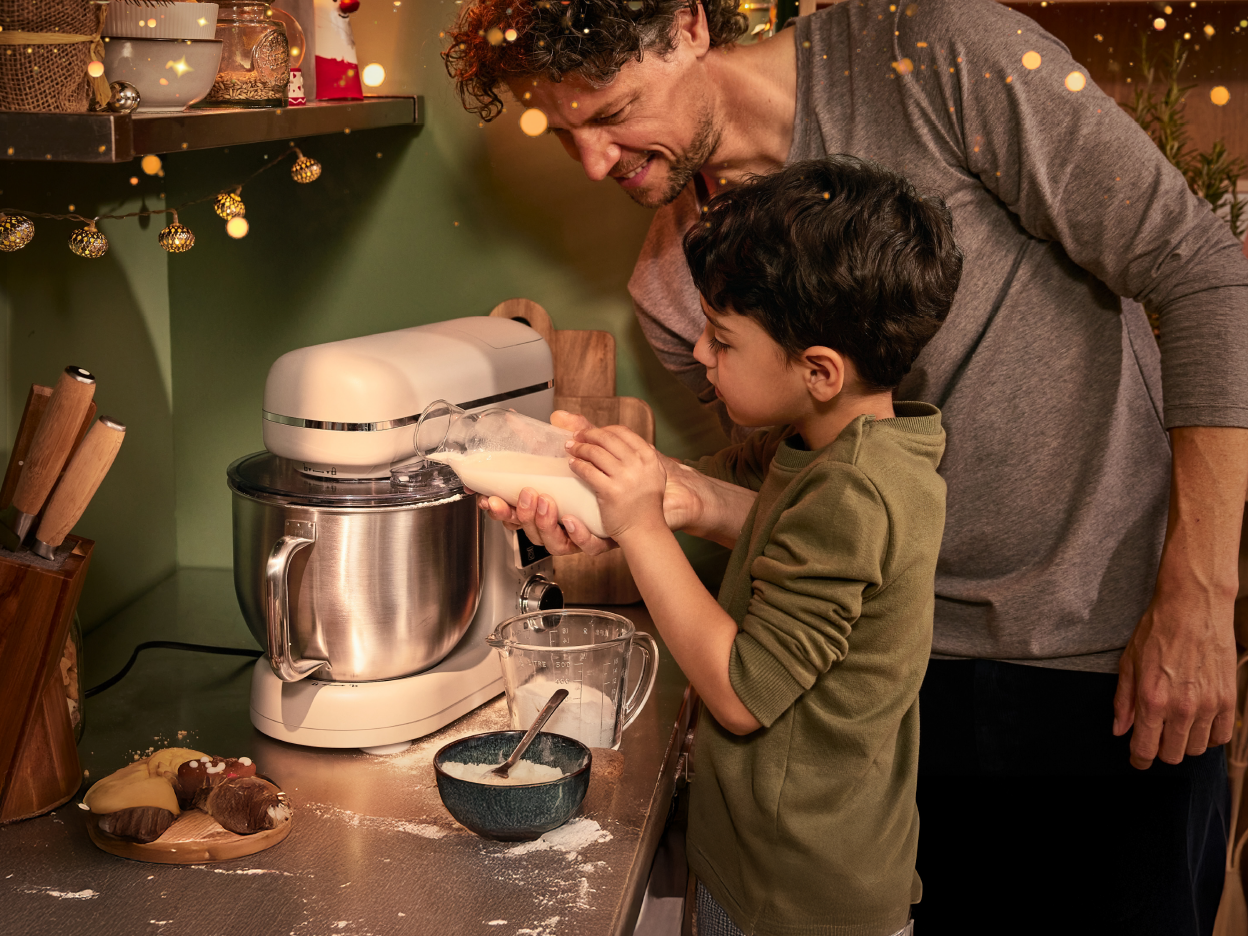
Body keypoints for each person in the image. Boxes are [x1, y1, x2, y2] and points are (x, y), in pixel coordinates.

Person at [444, 1, 1248, 931]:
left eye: (615, 109)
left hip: (1093, 658)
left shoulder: (940, 55)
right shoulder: (679, 288)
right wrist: (675, 497)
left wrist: (1198, 595)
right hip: (872, 714)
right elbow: (822, 508)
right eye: (565, 131)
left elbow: (1201, 273)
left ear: (689, 26)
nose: (594, 163)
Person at [559, 155, 961, 936]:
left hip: (796, 897)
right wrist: (587, 480)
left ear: (817, 370)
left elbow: (742, 695)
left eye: (723, 339)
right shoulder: (836, 445)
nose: (703, 356)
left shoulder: (856, 492)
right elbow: (710, 492)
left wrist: (639, 524)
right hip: (772, 862)